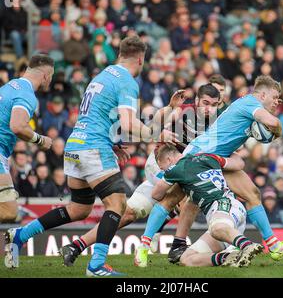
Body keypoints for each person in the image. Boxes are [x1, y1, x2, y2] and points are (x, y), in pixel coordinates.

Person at [4, 36, 174, 277]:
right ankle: (96, 265)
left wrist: (113, 143)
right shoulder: (127, 81)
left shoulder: (103, 75)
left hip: (75, 145)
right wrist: (152, 133)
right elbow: (127, 122)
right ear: (140, 59)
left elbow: (97, 114)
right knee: (117, 204)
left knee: (78, 209)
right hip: (93, 148)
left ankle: (21, 234)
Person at [59, 77, 230, 267]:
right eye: (206, 103)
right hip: (159, 165)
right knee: (187, 195)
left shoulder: (218, 123)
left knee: (128, 213)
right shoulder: (185, 110)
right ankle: (175, 243)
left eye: (214, 104)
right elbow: (156, 125)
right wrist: (169, 108)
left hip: (176, 170)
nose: (209, 108)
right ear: (197, 100)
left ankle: (76, 245)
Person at [135, 75, 283, 266]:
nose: (276, 102)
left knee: (252, 193)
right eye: (274, 97)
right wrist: (279, 128)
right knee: (172, 198)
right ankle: (144, 246)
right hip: (199, 154)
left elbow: (262, 130)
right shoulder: (251, 103)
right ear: (262, 95)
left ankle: (274, 246)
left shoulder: (250, 107)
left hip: (217, 158)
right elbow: (273, 124)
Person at [135, 144, 263, 268]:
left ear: (169, 159)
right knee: (187, 259)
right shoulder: (208, 157)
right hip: (230, 216)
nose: (164, 171)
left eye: (162, 168)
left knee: (216, 228)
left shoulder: (176, 169)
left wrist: (169, 181)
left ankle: (247, 245)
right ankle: (229, 257)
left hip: (223, 206)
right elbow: (239, 163)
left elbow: (156, 194)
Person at [0, 55, 54, 223]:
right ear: (45, 76)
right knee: (9, 211)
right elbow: (17, 126)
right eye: (50, 77)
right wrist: (40, 140)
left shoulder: (9, 86)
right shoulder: (27, 94)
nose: (50, 81)